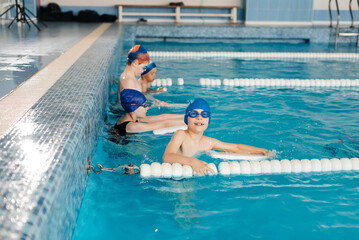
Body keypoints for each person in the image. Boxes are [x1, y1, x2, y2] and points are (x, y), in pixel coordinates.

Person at [163, 98, 270, 176]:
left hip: (193, 175)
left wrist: (262, 151)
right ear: (187, 118)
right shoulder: (181, 135)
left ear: (208, 120)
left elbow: (235, 148)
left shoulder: (208, 142)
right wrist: (193, 161)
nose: (199, 118)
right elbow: (167, 156)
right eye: (194, 114)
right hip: (174, 175)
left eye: (204, 115)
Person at [113, 89, 186, 136]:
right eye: (144, 105)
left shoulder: (131, 117)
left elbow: (163, 117)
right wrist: (190, 121)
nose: (147, 108)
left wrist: (187, 116)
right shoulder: (132, 126)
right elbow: (164, 124)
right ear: (134, 108)